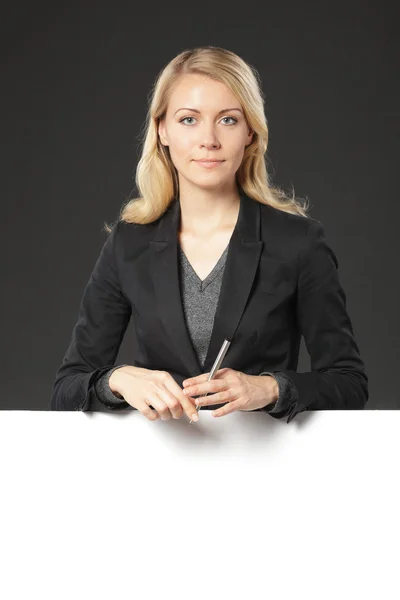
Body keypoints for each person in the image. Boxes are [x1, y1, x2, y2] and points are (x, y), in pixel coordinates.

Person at [50, 45, 368, 423]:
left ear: (250, 132)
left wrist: (270, 388)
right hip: (156, 468)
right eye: (189, 120)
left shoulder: (299, 243)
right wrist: (118, 380)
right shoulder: (127, 243)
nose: (209, 140)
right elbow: (66, 389)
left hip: (269, 470)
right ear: (161, 129)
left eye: (228, 120)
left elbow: (350, 384)